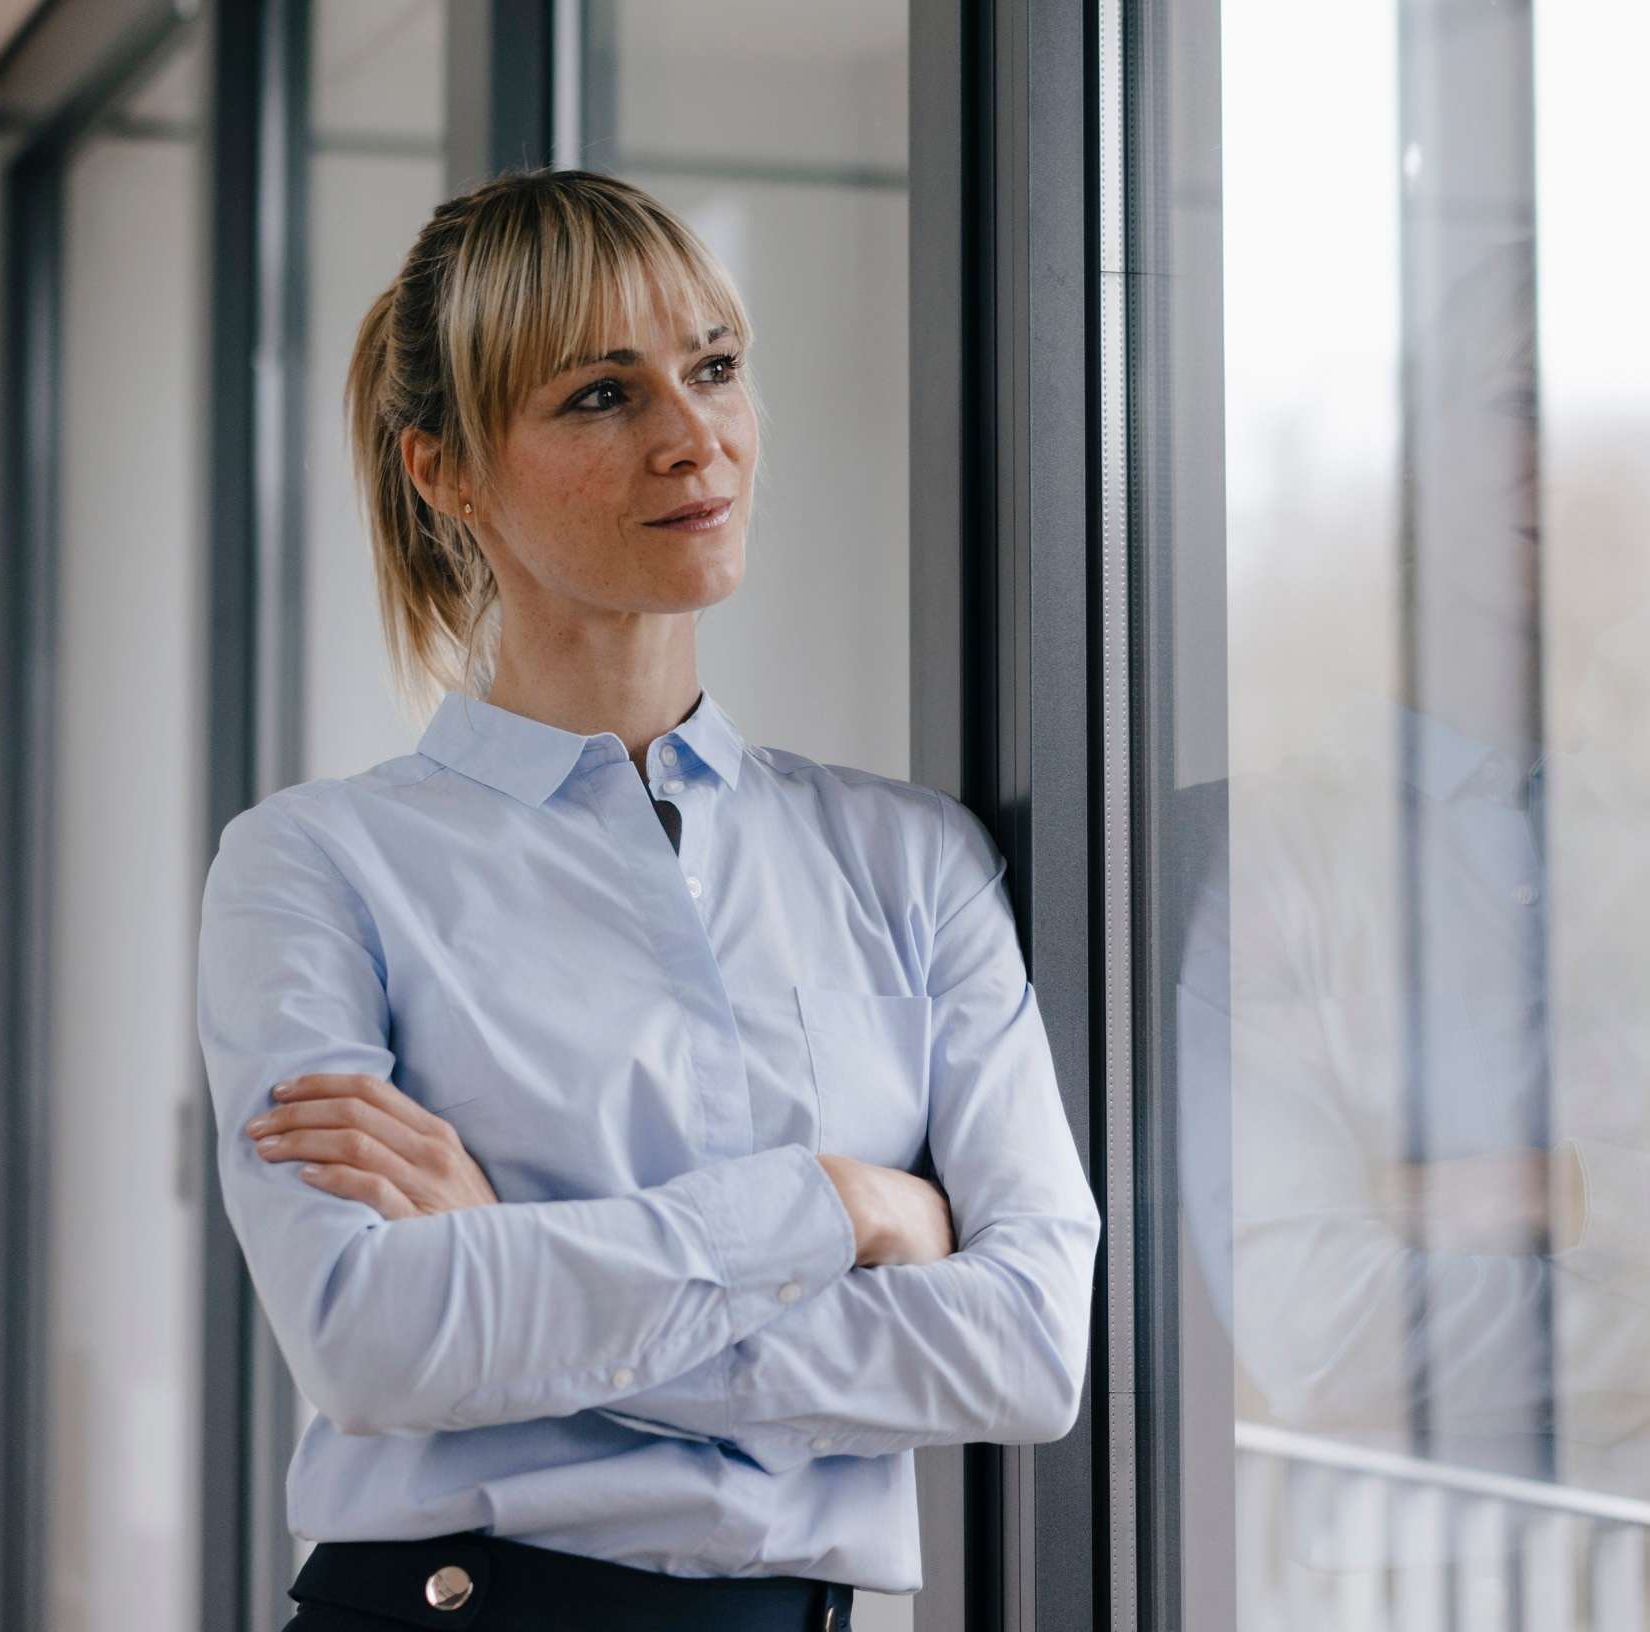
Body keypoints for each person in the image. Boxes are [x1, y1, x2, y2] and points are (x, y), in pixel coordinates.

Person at [194, 168, 1102, 1632]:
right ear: (446, 472)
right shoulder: (313, 866)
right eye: (600, 397)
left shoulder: (907, 859)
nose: (697, 440)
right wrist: (837, 1206)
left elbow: (1026, 1353)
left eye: (716, 369)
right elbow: (374, 1343)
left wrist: (519, 1276)